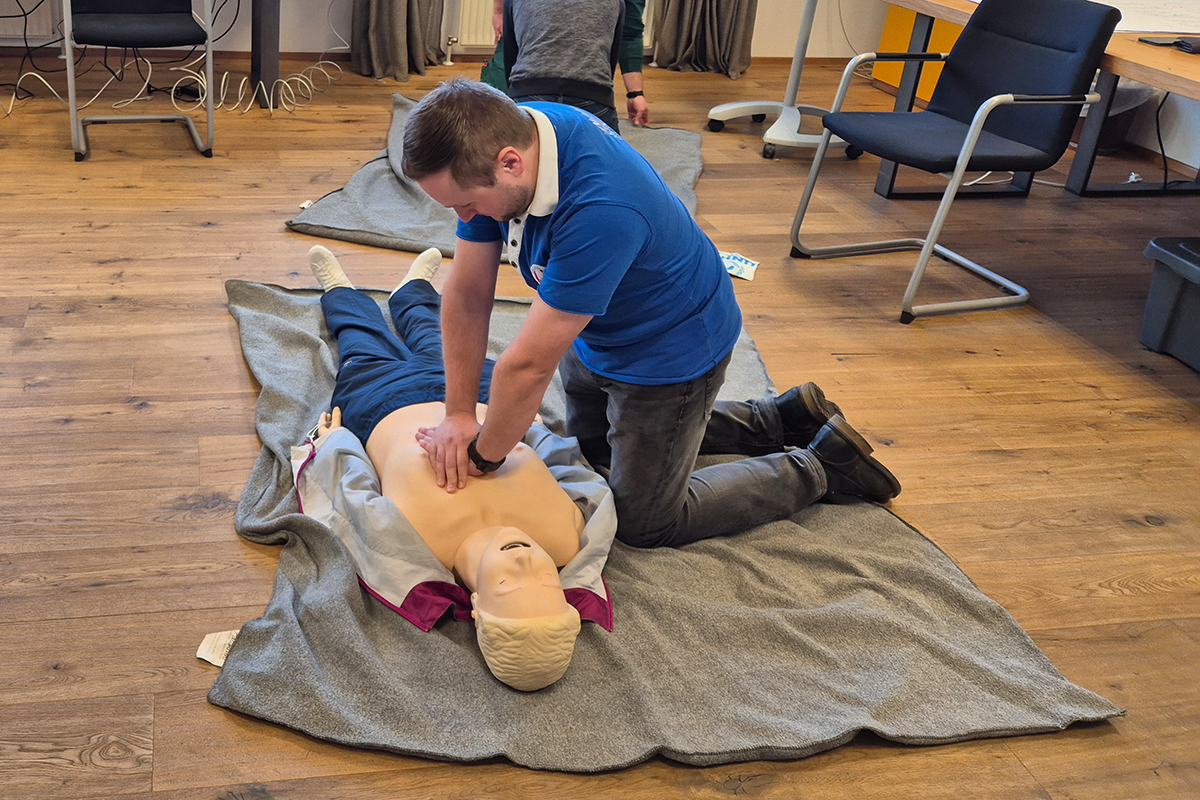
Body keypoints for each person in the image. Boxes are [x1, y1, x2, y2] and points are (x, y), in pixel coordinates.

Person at [400, 79, 902, 551]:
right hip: (595, 328)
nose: (465, 219)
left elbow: (525, 367)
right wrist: (458, 414)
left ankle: (823, 465)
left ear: (510, 163)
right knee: (593, 453)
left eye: (467, 204)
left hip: (671, 350)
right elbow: (467, 295)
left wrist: (483, 457)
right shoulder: (514, 132)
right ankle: (779, 418)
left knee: (645, 521)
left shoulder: (602, 209)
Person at [293, 244, 617, 691]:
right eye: (545, 579)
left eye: (508, 583)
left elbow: (352, 495)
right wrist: (536, 430)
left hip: (382, 403)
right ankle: (413, 291)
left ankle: (340, 292)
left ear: (478, 607)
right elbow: (573, 470)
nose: (525, 559)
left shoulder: (416, 550)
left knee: (360, 341)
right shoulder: (566, 535)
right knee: (439, 334)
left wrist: (333, 444)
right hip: (478, 398)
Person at [480, 0, 650, 133]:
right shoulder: (617, 3)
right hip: (593, 96)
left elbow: (510, 57)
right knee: (609, 161)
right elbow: (611, 58)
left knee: (512, 157)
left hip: (529, 91)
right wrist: (634, 94)